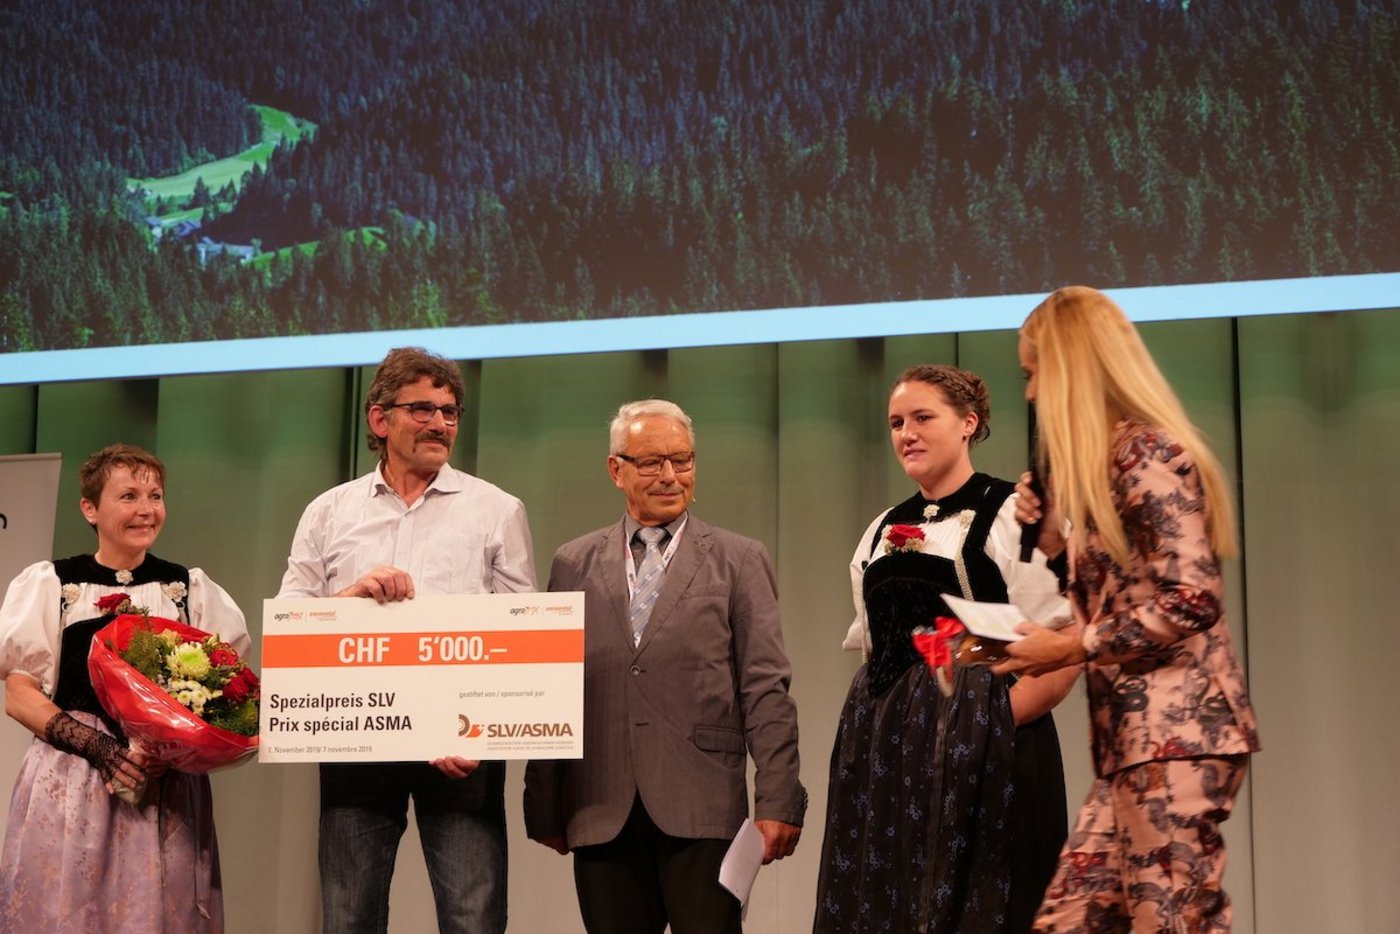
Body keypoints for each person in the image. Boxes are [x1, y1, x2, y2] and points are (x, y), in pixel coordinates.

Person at [994, 286, 1261, 932]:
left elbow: (1193, 597)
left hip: (1177, 736)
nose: (1030, 394)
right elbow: (1120, 594)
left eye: (1034, 374)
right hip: (1131, 748)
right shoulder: (1105, 465)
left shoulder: (1144, 453)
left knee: (1171, 920)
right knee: (1069, 921)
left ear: (1071, 369)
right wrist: (1053, 542)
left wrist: (1073, 646)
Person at [277, 346, 536, 934]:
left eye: (450, 412)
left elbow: (518, 635)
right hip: (356, 738)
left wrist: (479, 730)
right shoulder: (329, 512)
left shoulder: (496, 510)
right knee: (349, 919)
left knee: (473, 920)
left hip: (460, 748)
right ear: (379, 419)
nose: (440, 423)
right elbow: (292, 626)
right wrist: (351, 598)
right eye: (422, 409)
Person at [523, 399, 805, 934]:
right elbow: (553, 685)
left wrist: (779, 797)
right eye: (652, 462)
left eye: (683, 460)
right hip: (600, 807)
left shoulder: (740, 559)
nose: (671, 476)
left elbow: (766, 688)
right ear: (616, 470)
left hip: (704, 806)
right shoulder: (572, 562)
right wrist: (545, 803)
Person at [814, 364, 1079, 933]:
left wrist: (983, 724)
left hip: (989, 752)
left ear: (968, 424)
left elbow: (1060, 649)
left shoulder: (1012, 514)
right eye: (896, 423)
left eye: (922, 418)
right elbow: (876, 655)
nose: (906, 433)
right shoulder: (880, 530)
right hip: (890, 755)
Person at [0, 443, 250, 931]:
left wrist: (172, 749)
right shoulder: (55, 584)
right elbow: (19, 694)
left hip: (163, 786)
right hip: (73, 779)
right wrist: (99, 748)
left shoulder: (188, 590)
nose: (146, 509)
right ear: (90, 509)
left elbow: (223, 695)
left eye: (155, 496)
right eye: (129, 496)